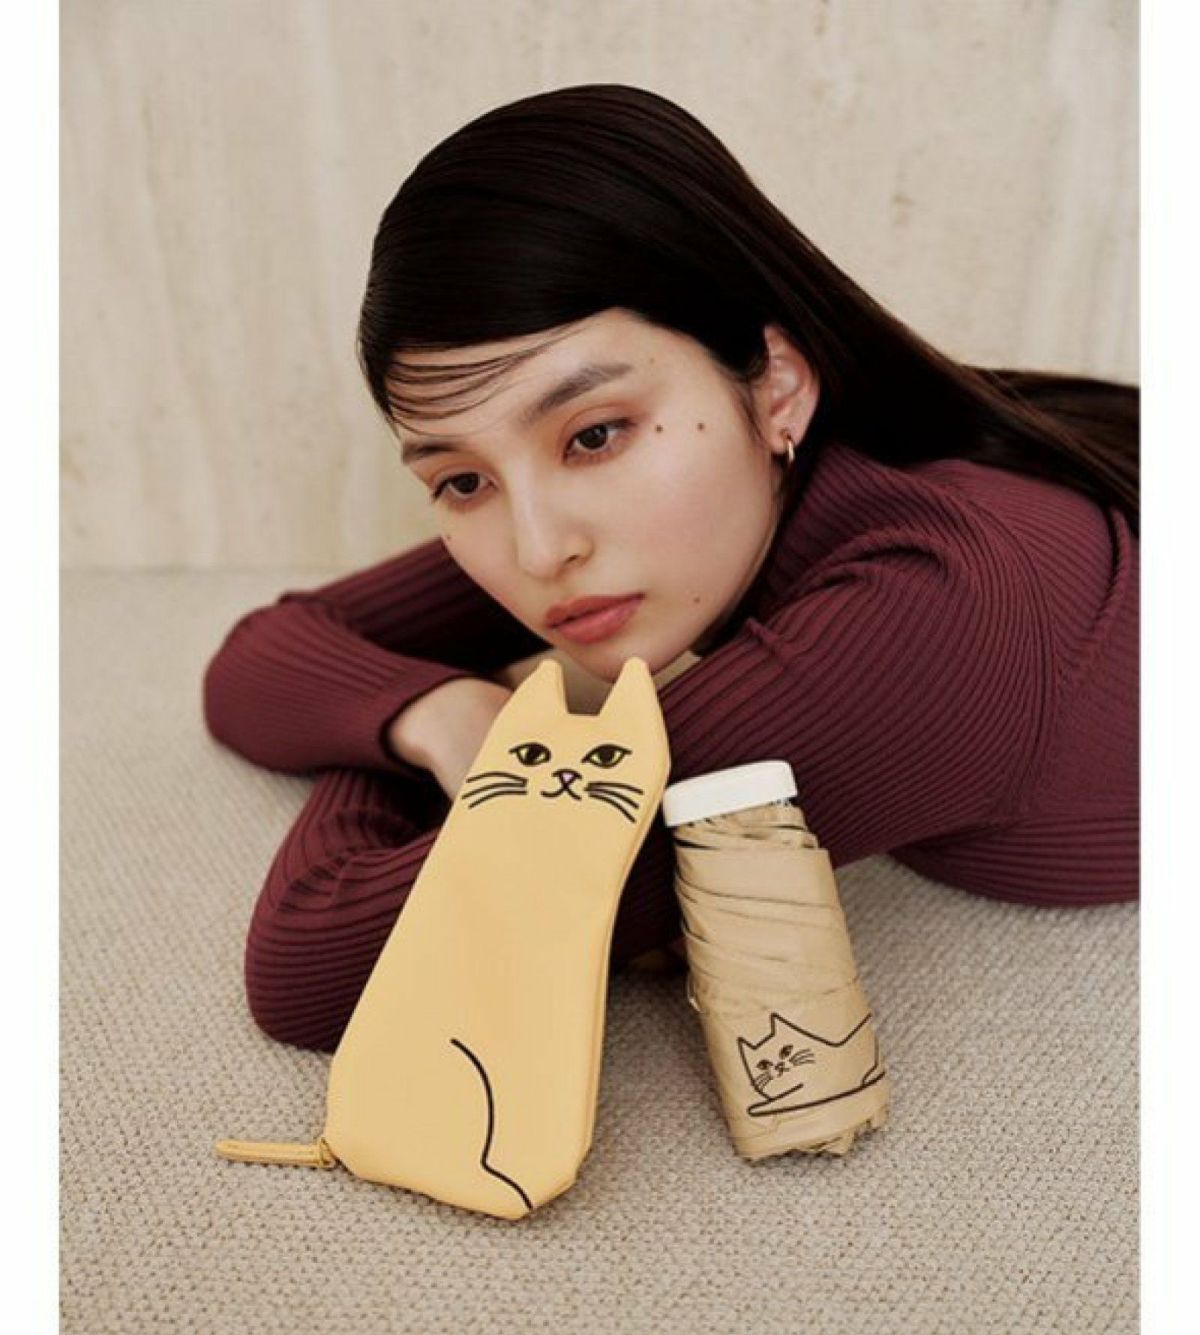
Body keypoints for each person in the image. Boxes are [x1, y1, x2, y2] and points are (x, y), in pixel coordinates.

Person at [202, 83, 1139, 1054]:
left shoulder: (923, 618)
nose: (538, 551)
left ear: (778, 383)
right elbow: (261, 656)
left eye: (595, 435)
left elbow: (316, 968)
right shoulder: (753, 493)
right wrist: (445, 714)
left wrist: (432, 729)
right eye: (463, 481)